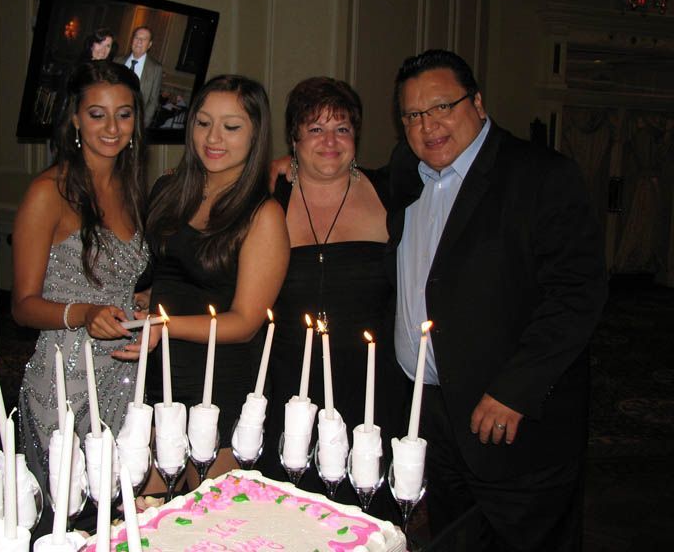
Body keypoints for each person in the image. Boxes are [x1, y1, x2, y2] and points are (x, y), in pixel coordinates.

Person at [387, 49, 607, 550]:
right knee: (454, 538)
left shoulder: (542, 177)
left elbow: (577, 293)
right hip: (436, 417)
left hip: (514, 421)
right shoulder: (406, 172)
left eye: (443, 106)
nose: (429, 125)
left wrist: (515, 390)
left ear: (478, 103)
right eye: (413, 115)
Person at [120, 74, 289, 490]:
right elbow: (165, 272)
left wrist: (163, 324)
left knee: (207, 523)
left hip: (221, 384)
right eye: (202, 122)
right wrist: (146, 298)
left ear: (255, 134)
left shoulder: (262, 215)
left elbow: (246, 321)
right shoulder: (169, 189)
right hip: (163, 373)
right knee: (148, 512)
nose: (213, 137)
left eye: (231, 127)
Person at [258, 77, 407, 520]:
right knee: (288, 516)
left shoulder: (390, 192)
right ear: (294, 138)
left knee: (365, 517)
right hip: (288, 383)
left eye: (341, 128)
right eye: (315, 128)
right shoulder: (269, 194)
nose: (329, 141)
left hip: (371, 387)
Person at [13, 61, 152, 488]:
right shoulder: (48, 192)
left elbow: (125, 284)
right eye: (97, 114)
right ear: (75, 117)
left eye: (124, 114)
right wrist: (84, 311)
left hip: (127, 374)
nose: (112, 127)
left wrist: (143, 308)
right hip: (66, 384)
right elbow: (22, 307)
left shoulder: (131, 187)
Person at [116, 26, 163, 128]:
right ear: (132, 40)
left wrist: (142, 125)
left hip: (135, 123)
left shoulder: (155, 69)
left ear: (149, 44)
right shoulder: (117, 61)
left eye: (144, 39)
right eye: (137, 37)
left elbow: (153, 100)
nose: (139, 41)